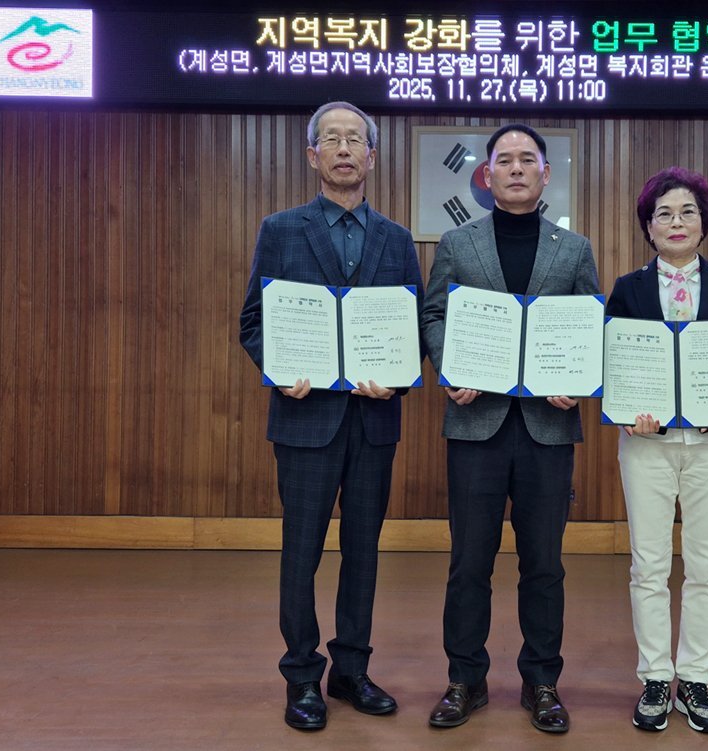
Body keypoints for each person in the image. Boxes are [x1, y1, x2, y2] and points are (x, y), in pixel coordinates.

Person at [239, 102, 423, 731]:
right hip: (304, 417)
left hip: (373, 421)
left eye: (355, 140)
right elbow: (253, 321)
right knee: (302, 551)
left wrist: (397, 378)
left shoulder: (397, 239)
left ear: (372, 156)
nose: (344, 149)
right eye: (332, 139)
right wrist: (280, 369)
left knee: (363, 552)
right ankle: (300, 675)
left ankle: (351, 670)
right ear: (313, 155)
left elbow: (411, 329)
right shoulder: (280, 230)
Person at [420, 124, 600, 734]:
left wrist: (579, 380)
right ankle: (464, 679)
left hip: (549, 426)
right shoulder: (457, 242)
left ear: (546, 174)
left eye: (528, 159)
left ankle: (542, 682)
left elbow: (589, 322)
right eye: (505, 160)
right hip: (477, 421)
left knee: (544, 564)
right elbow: (435, 313)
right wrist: (450, 367)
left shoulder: (574, 248)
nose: (516, 169)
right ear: (487, 174)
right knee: (469, 561)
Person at [605, 166, 708, 734]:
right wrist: (627, 410)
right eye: (664, 214)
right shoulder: (627, 288)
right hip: (646, 445)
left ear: (704, 223)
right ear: (648, 227)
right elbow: (613, 360)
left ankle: (695, 679)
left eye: (687, 212)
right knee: (648, 565)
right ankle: (655, 677)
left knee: (706, 567)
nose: (676, 222)